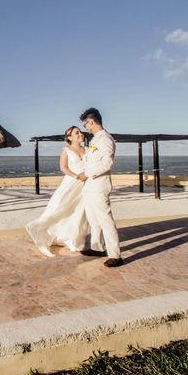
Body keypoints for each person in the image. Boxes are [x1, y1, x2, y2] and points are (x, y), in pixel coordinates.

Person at [25, 126, 90, 257]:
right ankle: (39, 229)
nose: (80, 134)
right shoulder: (66, 150)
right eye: (76, 133)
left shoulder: (87, 150)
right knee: (59, 209)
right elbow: (63, 168)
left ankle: (73, 240)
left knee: (78, 213)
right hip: (71, 183)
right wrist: (77, 176)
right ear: (70, 137)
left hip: (84, 186)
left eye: (80, 132)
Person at [78, 107, 123, 267]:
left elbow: (107, 163)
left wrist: (87, 174)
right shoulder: (95, 139)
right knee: (93, 219)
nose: (86, 128)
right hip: (89, 186)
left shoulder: (105, 139)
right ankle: (97, 247)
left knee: (105, 220)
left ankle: (115, 255)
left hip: (99, 185)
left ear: (91, 121)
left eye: (86, 125)